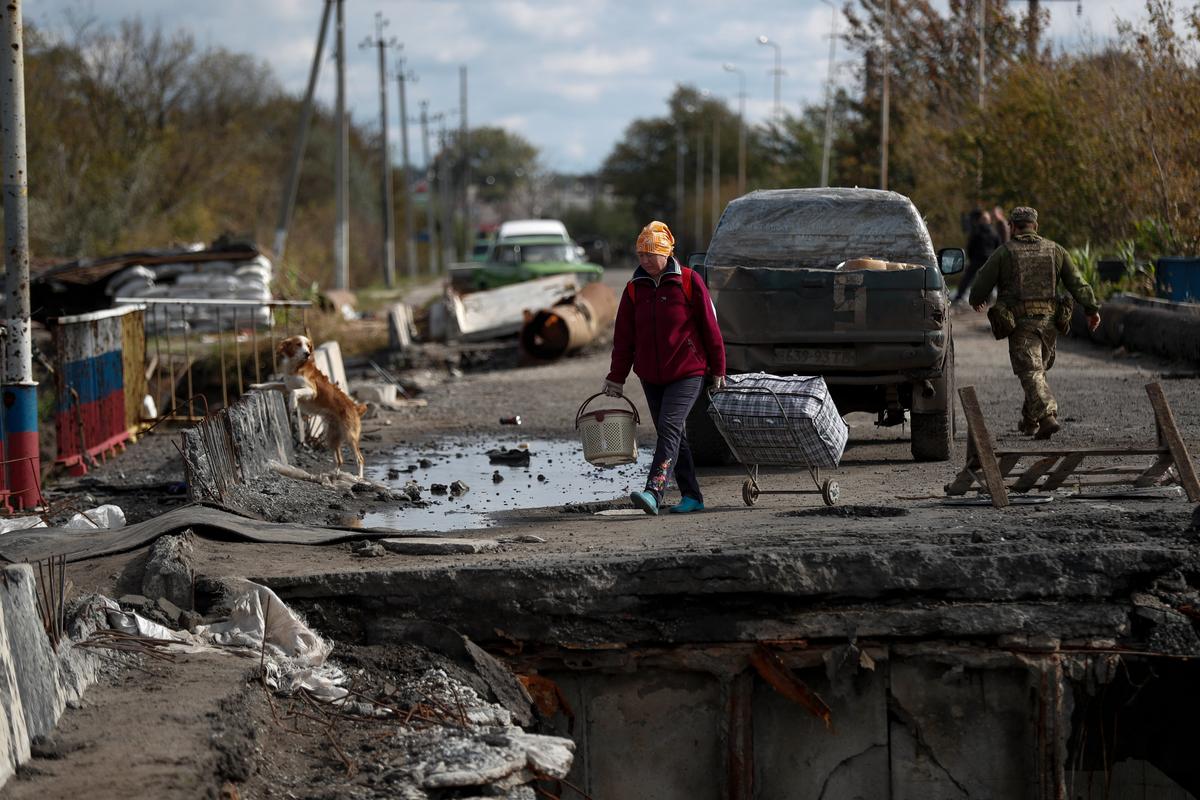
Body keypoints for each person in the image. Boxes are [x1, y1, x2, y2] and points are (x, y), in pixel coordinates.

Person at [603, 221, 726, 516]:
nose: (644, 260)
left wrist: (719, 368)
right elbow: (624, 338)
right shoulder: (634, 289)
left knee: (669, 428)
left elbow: (711, 328)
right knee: (673, 434)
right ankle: (692, 496)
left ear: (666, 253)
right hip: (651, 375)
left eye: (650, 254)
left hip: (687, 372)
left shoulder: (689, 281)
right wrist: (616, 377)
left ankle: (654, 491)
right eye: (640, 255)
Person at [970, 206, 1101, 439]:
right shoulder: (1056, 250)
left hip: (1021, 324)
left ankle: (1047, 416)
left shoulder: (1004, 252)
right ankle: (1030, 421)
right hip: (1050, 324)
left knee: (1031, 371)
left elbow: (981, 281)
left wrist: (976, 299)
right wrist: (1091, 309)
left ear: (1011, 227)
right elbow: (1078, 284)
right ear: (1036, 226)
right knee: (1037, 371)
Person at [953, 208, 1002, 304]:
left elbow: (970, 246)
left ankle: (959, 296)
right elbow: (998, 246)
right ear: (989, 220)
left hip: (977, 259)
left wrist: (971, 258)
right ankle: (988, 299)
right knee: (989, 280)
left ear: (980, 220)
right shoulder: (994, 232)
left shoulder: (976, 231)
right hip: (989, 259)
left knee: (967, 278)